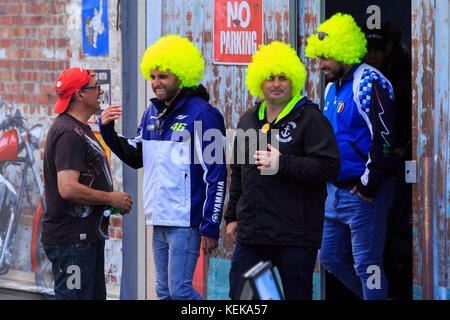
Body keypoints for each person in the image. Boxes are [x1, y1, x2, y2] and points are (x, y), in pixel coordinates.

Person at [99, 35, 227, 300]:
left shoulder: (204, 114)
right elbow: (137, 156)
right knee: (164, 292)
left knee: (180, 292)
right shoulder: (152, 113)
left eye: (163, 77)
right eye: (153, 76)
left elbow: (217, 174)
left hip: (186, 222)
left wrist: (210, 225)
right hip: (158, 218)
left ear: (181, 75)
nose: (156, 83)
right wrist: (108, 132)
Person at [224, 41, 340, 300]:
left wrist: (283, 163)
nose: (276, 83)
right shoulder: (250, 119)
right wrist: (232, 217)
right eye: (270, 78)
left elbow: (329, 167)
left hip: (295, 234)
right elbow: (240, 171)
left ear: (294, 80)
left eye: (283, 78)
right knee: (242, 296)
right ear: (259, 82)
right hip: (253, 233)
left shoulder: (310, 120)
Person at [305, 13, 397, 300]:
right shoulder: (332, 87)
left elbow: (384, 138)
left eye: (325, 58)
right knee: (330, 257)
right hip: (334, 191)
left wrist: (368, 186)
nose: (320, 66)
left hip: (363, 192)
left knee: (368, 264)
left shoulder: (369, 82)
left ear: (344, 51)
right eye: (318, 58)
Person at [42, 67, 133, 300]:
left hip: (84, 241)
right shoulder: (68, 133)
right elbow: (68, 187)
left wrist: (109, 204)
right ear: (79, 95)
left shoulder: (79, 129)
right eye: (95, 87)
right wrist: (110, 198)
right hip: (72, 244)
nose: (100, 91)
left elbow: (87, 179)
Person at [363, 22, 413, 300]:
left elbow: (412, 117)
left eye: (377, 49)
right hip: (366, 176)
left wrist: (403, 147)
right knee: (362, 251)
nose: (372, 55)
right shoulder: (355, 79)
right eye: (367, 49)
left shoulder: (402, 75)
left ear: (389, 47)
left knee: (393, 236)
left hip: (394, 169)